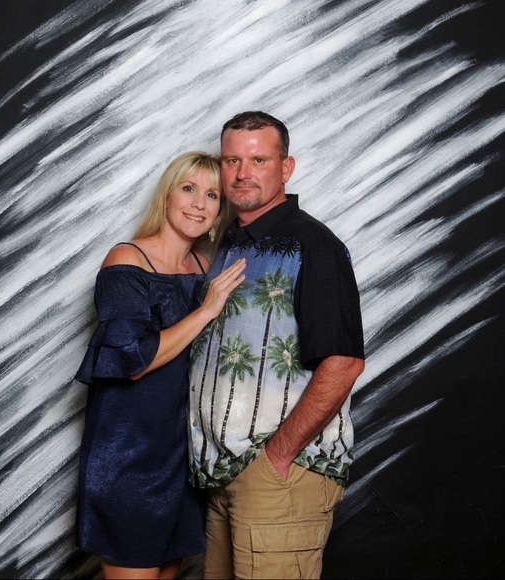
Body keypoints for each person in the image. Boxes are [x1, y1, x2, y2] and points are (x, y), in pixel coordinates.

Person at [188, 112, 365, 579]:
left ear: (286, 168)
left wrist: (278, 456)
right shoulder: (227, 244)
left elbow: (344, 363)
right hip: (223, 474)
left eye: (259, 160)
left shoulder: (313, 245)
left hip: (279, 474)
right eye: (232, 160)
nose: (242, 173)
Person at [74, 151, 247, 580]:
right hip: (128, 459)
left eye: (212, 195)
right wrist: (205, 312)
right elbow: (132, 360)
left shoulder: (206, 269)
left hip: (183, 457)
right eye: (188, 189)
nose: (199, 204)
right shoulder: (126, 261)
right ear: (167, 196)